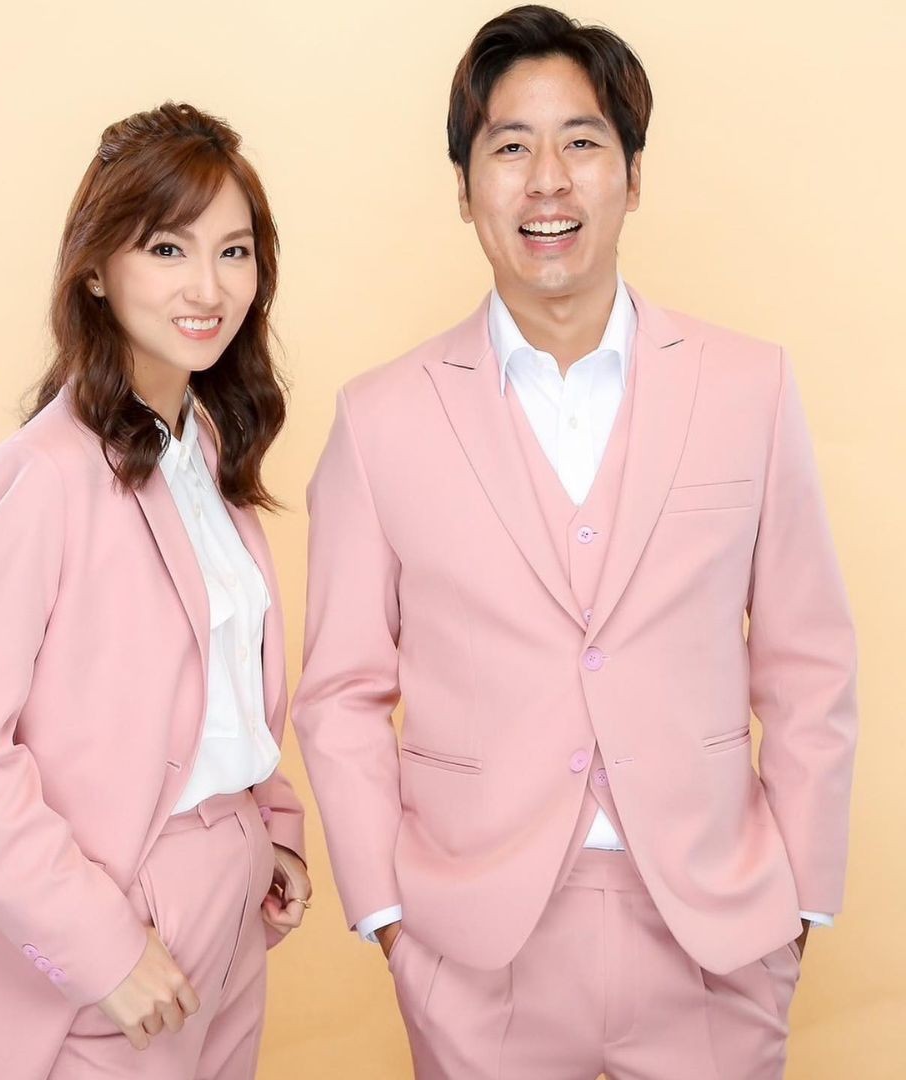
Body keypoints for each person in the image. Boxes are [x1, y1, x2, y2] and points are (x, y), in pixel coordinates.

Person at [292, 7, 857, 1078]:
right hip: (476, 945)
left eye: (582, 142)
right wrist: (390, 919)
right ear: (465, 187)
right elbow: (341, 692)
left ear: (632, 176)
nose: (547, 182)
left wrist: (801, 902)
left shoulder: (751, 387)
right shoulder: (379, 419)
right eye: (510, 147)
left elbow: (810, 660)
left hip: (717, 934)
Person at [0, 101, 310, 1080]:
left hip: (230, 911)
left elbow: (216, 686)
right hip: (105, 927)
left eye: (235, 252)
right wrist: (98, 951)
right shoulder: (39, 479)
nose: (208, 287)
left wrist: (273, 830)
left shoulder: (208, 452)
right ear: (94, 269)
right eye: (167, 249)